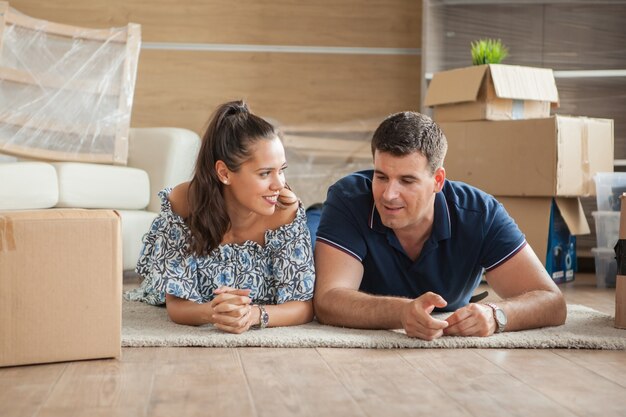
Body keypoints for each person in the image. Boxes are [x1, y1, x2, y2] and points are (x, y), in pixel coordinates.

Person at [311, 111, 567, 340]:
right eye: (381, 176)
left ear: (438, 180)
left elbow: (552, 301)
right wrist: (402, 312)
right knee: (305, 228)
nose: (389, 194)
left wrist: (496, 314)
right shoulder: (349, 199)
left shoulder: (480, 214)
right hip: (323, 222)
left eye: (407, 180)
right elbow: (327, 301)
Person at [125, 100, 315, 334]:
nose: (279, 184)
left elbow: (304, 305)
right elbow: (177, 306)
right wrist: (214, 312)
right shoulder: (184, 203)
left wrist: (254, 315)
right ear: (224, 173)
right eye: (265, 173)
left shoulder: (286, 210)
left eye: (281, 170)